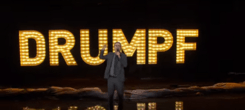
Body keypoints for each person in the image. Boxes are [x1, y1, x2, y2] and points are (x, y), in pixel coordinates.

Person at [99, 42, 127, 110]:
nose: (117, 47)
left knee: (120, 95)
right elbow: (101, 57)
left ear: (120, 47)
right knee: (110, 96)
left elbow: (125, 65)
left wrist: (119, 56)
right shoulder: (110, 54)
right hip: (110, 78)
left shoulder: (123, 55)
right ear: (114, 47)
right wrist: (102, 50)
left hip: (119, 79)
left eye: (118, 46)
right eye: (116, 45)